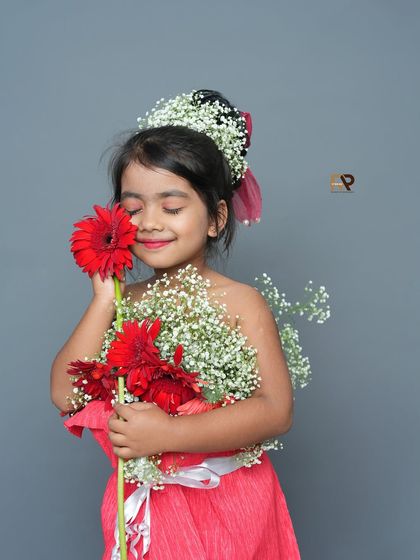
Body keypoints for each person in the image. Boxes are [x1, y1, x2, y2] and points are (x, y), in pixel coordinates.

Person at [50, 88, 301, 559]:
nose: (149, 222)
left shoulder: (241, 302)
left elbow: (275, 410)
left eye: (172, 206)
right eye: (132, 207)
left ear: (215, 217)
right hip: (149, 508)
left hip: (228, 503)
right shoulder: (125, 304)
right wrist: (105, 299)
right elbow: (66, 396)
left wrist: (169, 435)